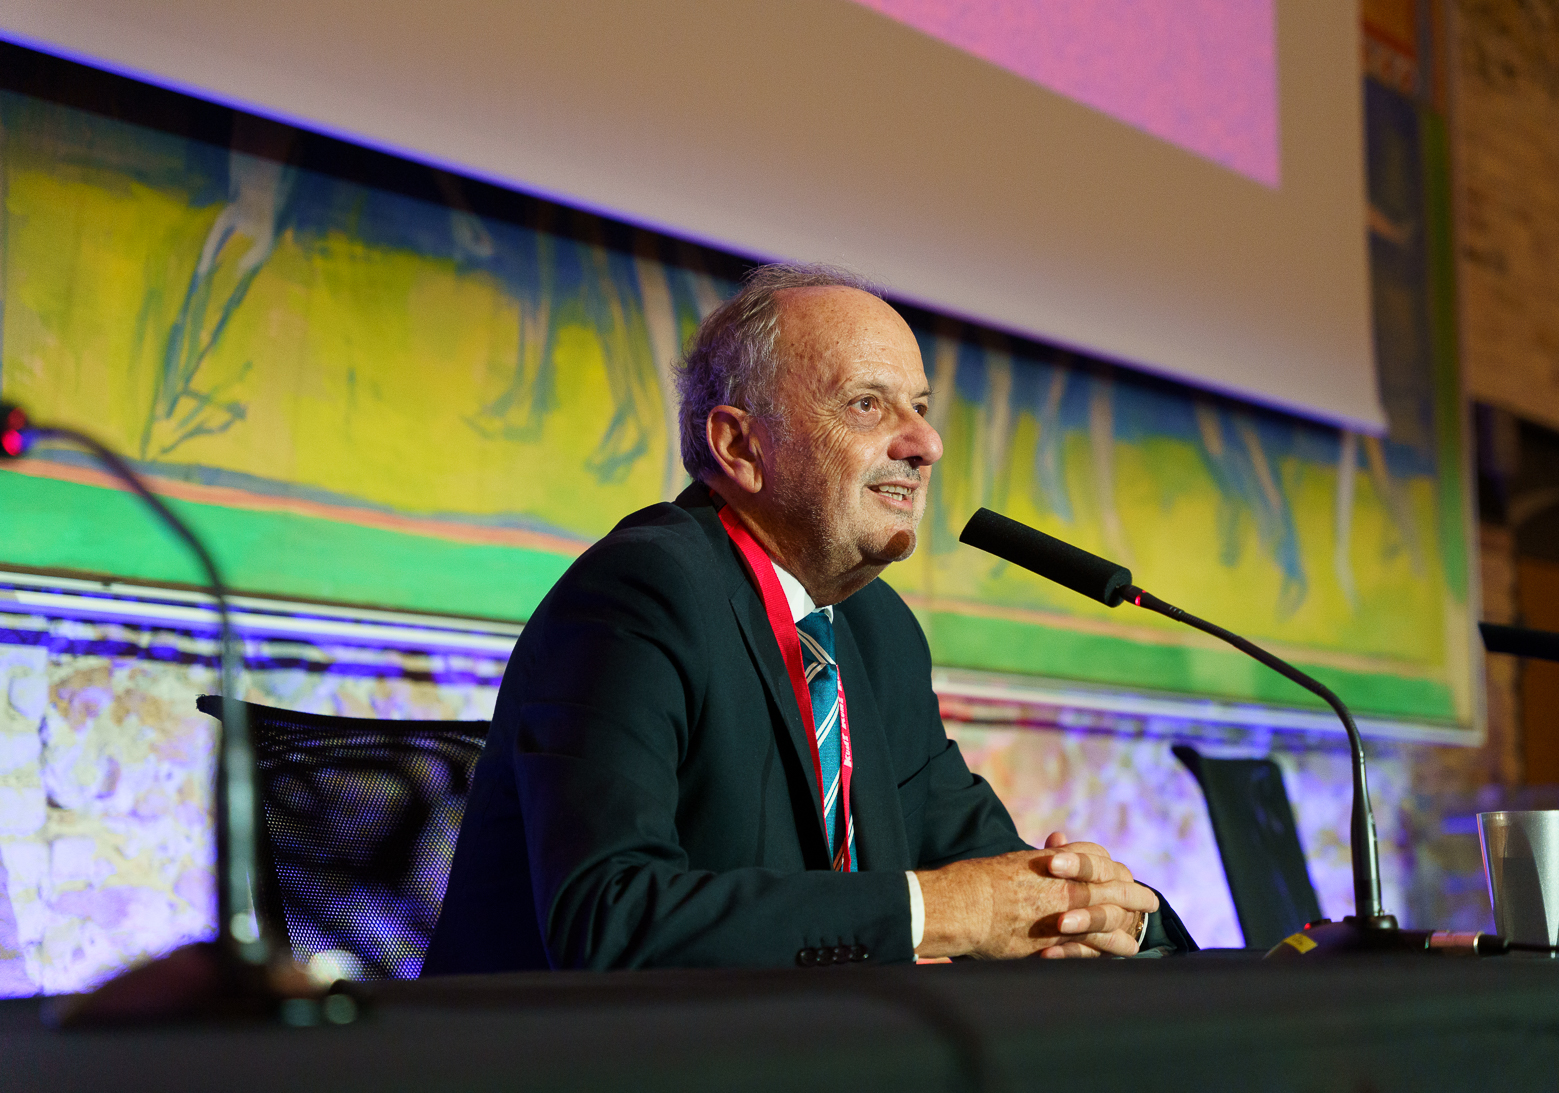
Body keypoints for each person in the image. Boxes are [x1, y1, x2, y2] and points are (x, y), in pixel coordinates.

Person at [424, 264, 1195, 972]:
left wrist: (1109, 916)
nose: (926, 442)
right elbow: (610, 916)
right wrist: (941, 912)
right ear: (740, 445)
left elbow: (980, 856)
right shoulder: (642, 593)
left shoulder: (877, 630)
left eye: (921, 408)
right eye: (868, 404)